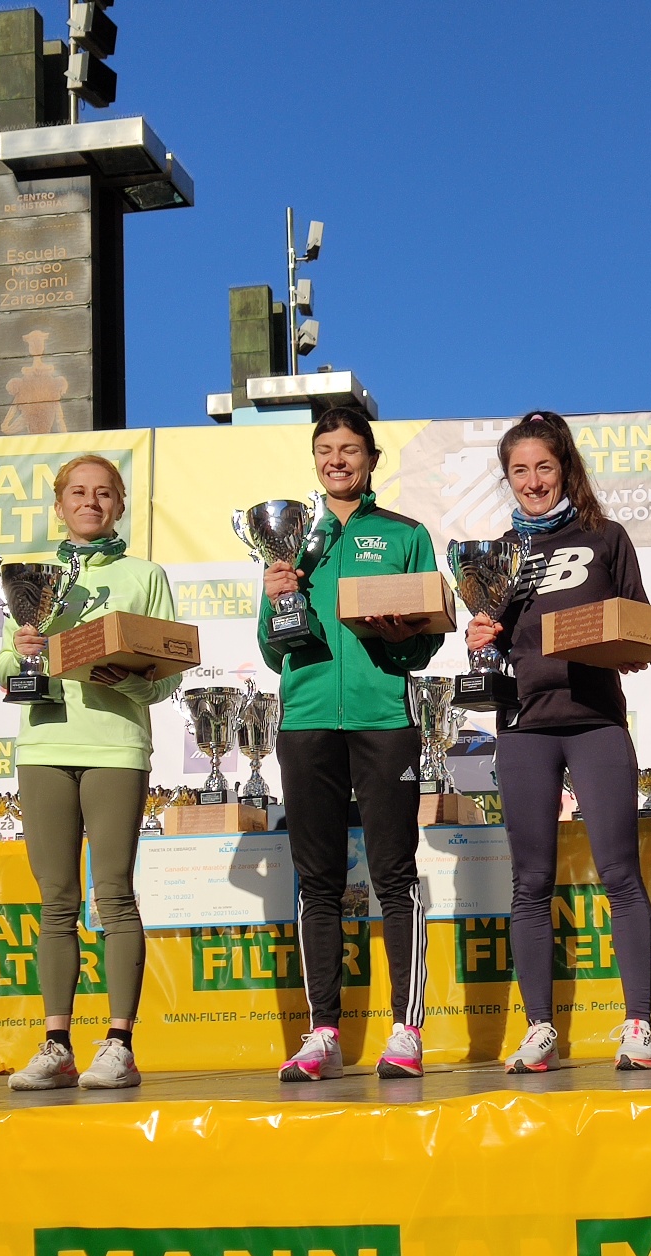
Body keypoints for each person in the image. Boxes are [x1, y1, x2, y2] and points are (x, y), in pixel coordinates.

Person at [463, 411, 651, 1073]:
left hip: (596, 720)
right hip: (524, 726)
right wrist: (481, 637)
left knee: (619, 873)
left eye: (543, 467)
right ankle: (540, 1027)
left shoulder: (606, 537)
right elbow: (492, 631)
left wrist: (630, 648)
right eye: (519, 470)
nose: (532, 481)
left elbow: (636, 619)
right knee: (531, 883)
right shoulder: (497, 556)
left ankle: (637, 1024)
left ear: (565, 468)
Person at [263, 408, 444, 1082]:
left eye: (349, 449)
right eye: (325, 450)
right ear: (315, 460)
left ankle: (407, 1028)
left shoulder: (404, 534)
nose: (337, 460)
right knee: (318, 881)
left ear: (372, 458)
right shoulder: (289, 541)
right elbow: (268, 646)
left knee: (395, 874)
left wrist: (401, 633)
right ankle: (324, 1034)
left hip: (381, 722)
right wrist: (275, 595)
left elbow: (429, 639)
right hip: (306, 720)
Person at [0, 454, 183, 1090]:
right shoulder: (29, 576)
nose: (90, 502)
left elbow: (168, 680)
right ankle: (55, 1044)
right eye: (78, 492)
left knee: (114, 894)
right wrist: (22, 657)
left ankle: (119, 1045)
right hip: (43, 745)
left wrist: (122, 678)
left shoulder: (144, 574)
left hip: (116, 748)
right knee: (55, 902)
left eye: (104, 493)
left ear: (120, 504)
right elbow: (2, 667)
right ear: (59, 503)